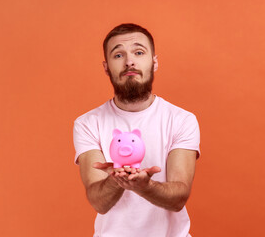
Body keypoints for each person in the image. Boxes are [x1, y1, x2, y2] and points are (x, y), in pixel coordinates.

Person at [73, 23, 200, 237]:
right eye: (118, 55)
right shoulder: (87, 123)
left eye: (138, 52)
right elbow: (98, 202)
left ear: (154, 62)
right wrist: (117, 178)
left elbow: (179, 197)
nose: (129, 61)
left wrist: (144, 185)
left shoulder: (181, 120)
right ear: (106, 67)